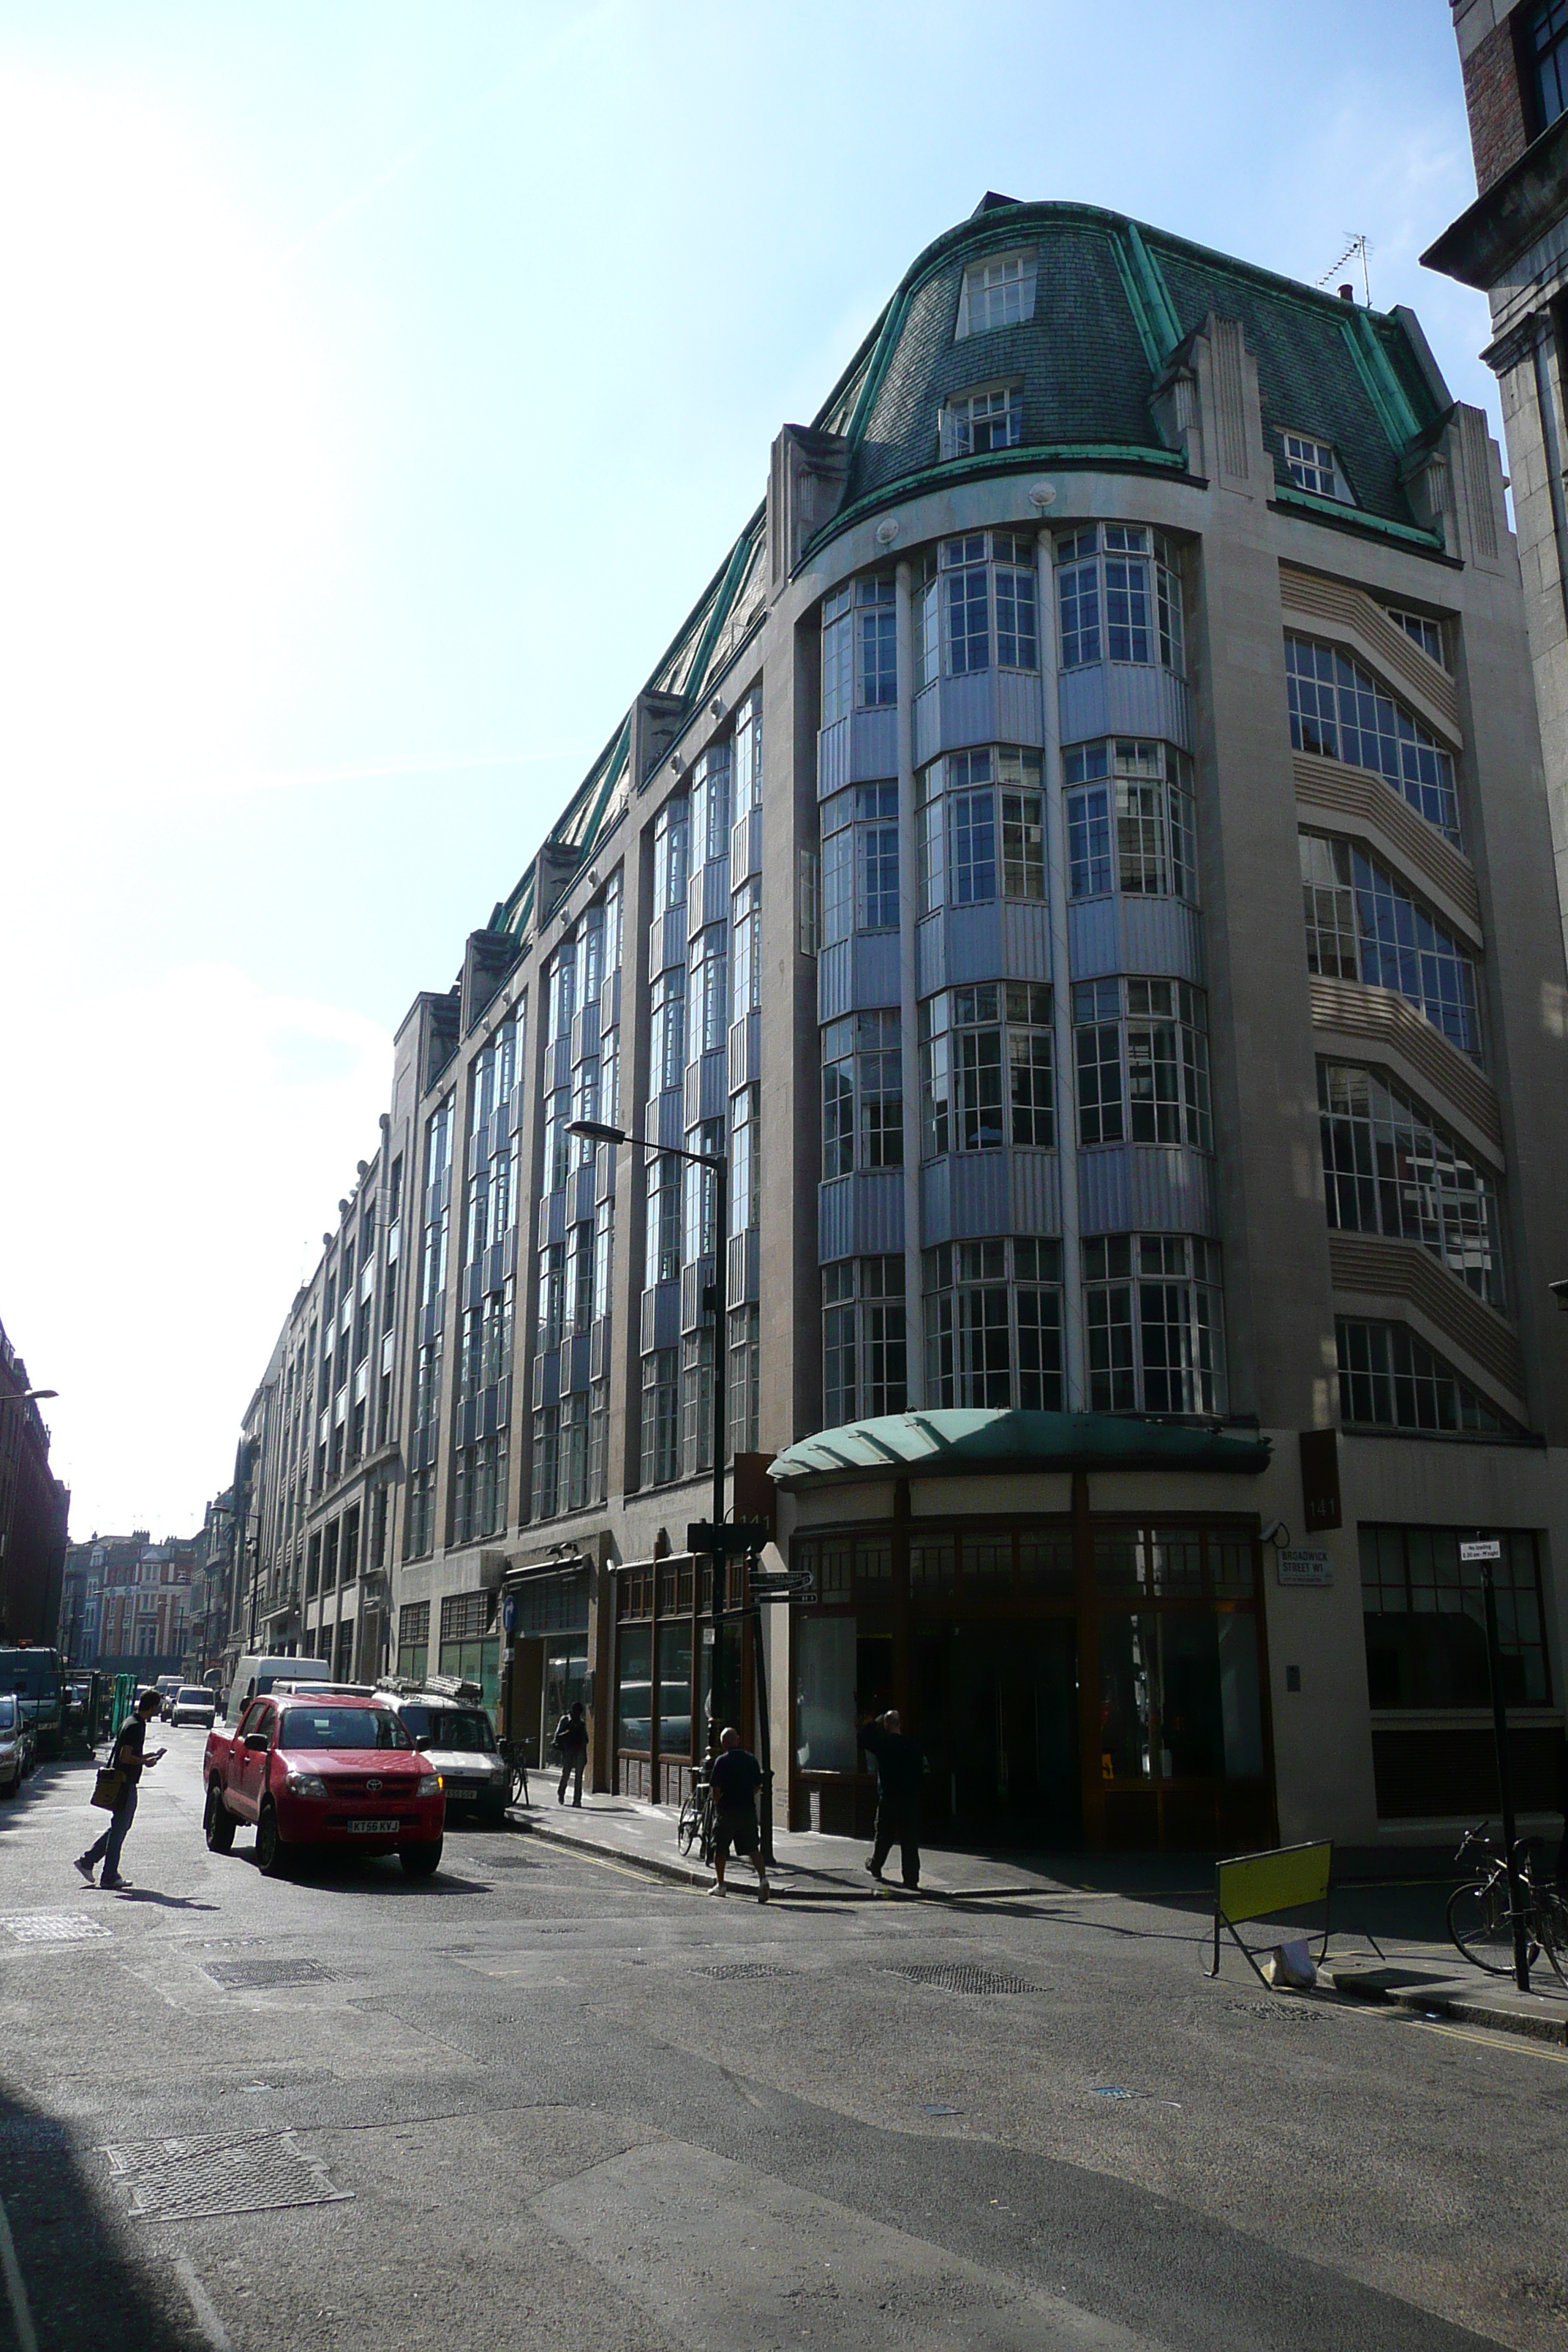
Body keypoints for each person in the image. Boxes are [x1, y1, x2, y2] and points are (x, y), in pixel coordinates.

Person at [75, 1688, 165, 1891]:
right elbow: (126, 1757)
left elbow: (126, 1752)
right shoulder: (137, 1726)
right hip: (125, 1783)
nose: (156, 1712)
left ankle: (88, 1861)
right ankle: (108, 1876)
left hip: (122, 1781)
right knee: (120, 1829)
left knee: (120, 1826)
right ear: (152, 1707)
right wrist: (145, 1761)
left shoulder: (130, 1721)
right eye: (156, 1708)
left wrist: (145, 1756)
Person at [859, 1708, 923, 1890]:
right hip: (909, 1799)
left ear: (887, 1724)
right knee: (909, 1839)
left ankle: (876, 1866)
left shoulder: (883, 1744)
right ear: (900, 1724)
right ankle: (911, 1879)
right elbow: (920, 1772)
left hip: (889, 1797)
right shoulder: (912, 1745)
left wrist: (875, 1722)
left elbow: (863, 1738)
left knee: (884, 1836)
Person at [707, 1724, 769, 1903]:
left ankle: (721, 1885)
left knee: (720, 1849)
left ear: (724, 1744)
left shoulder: (721, 1762)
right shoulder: (751, 1759)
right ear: (738, 1740)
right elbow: (757, 1785)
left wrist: (718, 1805)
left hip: (727, 1811)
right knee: (752, 1849)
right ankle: (763, 1879)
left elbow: (715, 1790)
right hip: (747, 1810)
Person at [554, 1700, 589, 1806]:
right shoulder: (565, 1720)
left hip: (579, 1751)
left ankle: (577, 1800)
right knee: (566, 1774)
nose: (577, 1715)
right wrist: (567, 1733)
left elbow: (586, 1739)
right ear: (572, 1712)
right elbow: (557, 1736)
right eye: (575, 1712)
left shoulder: (582, 1724)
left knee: (579, 1777)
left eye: (579, 1713)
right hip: (568, 1750)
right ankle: (561, 1793)